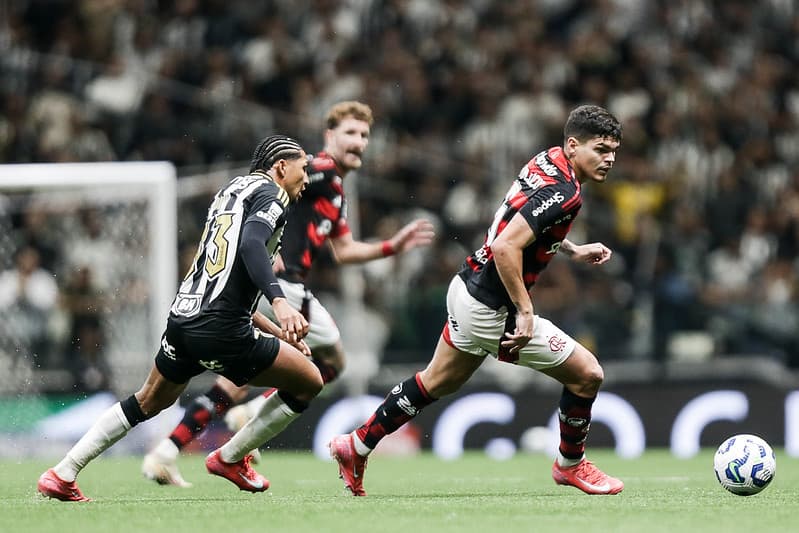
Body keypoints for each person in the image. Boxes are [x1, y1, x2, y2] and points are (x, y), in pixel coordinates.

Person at [329, 104, 625, 496]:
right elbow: (506, 247)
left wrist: (571, 249)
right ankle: (571, 465)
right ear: (573, 145)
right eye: (600, 149)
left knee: (436, 381)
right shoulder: (566, 192)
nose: (609, 160)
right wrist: (525, 311)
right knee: (588, 374)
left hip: (466, 287)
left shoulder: (547, 161)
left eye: (613, 151)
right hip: (490, 307)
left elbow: (524, 221)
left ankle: (356, 444)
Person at [142, 101, 434, 487]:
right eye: (349, 133)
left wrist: (391, 248)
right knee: (329, 362)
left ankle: (169, 450)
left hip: (275, 288)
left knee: (241, 377)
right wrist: (264, 249)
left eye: (364, 135)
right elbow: (271, 188)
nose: (359, 142)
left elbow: (343, 250)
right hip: (282, 289)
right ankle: (246, 423)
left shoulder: (334, 189)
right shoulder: (319, 170)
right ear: (329, 137)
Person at [37, 134, 324, 501]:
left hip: (185, 318)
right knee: (309, 381)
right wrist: (281, 303)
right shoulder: (273, 195)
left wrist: (276, 330)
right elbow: (252, 245)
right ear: (281, 167)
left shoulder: (232, 192)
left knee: (148, 401)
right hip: (221, 329)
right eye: (304, 168)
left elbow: (228, 283)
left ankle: (63, 473)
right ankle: (231, 458)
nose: (307, 176)